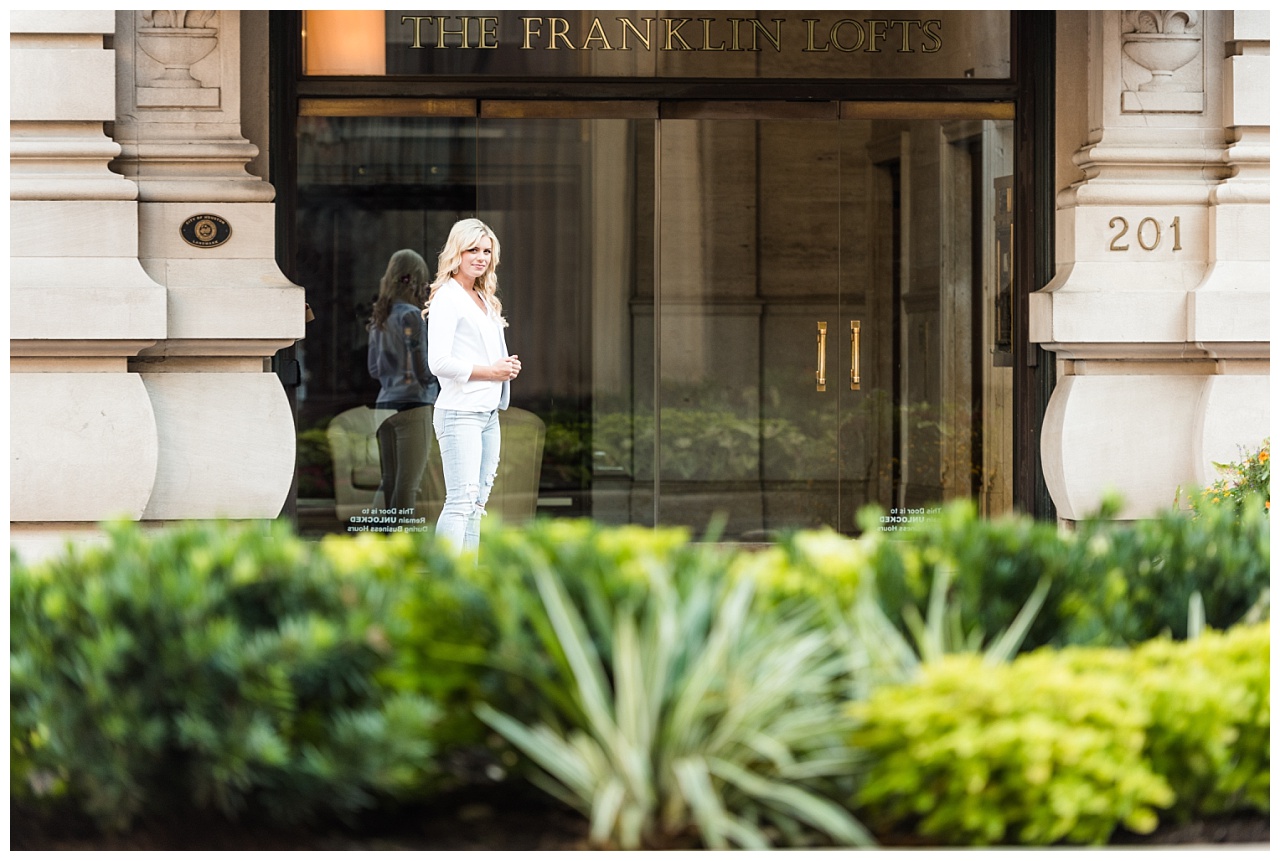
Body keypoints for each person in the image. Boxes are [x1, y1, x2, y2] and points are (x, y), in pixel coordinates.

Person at [425, 218, 520, 553]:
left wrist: (505, 367)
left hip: (488, 412)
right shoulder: (447, 298)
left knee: (477, 504)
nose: (480, 257)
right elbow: (438, 363)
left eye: (486, 251)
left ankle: (469, 581)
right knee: (461, 501)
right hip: (459, 413)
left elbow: (484, 354)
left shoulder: (482, 296)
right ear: (457, 253)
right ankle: (443, 583)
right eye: (472, 250)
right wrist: (490, 372)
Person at [367, 249, 439, 521]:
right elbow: (422, 368)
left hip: (385, 403)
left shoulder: (380, 317)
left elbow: (374, 369)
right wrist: (438, 376)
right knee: (408, 485)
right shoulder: (412, 316)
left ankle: (374, 537)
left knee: (388, 481)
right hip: (414, 404)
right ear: (418, 279)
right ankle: (401, 546)